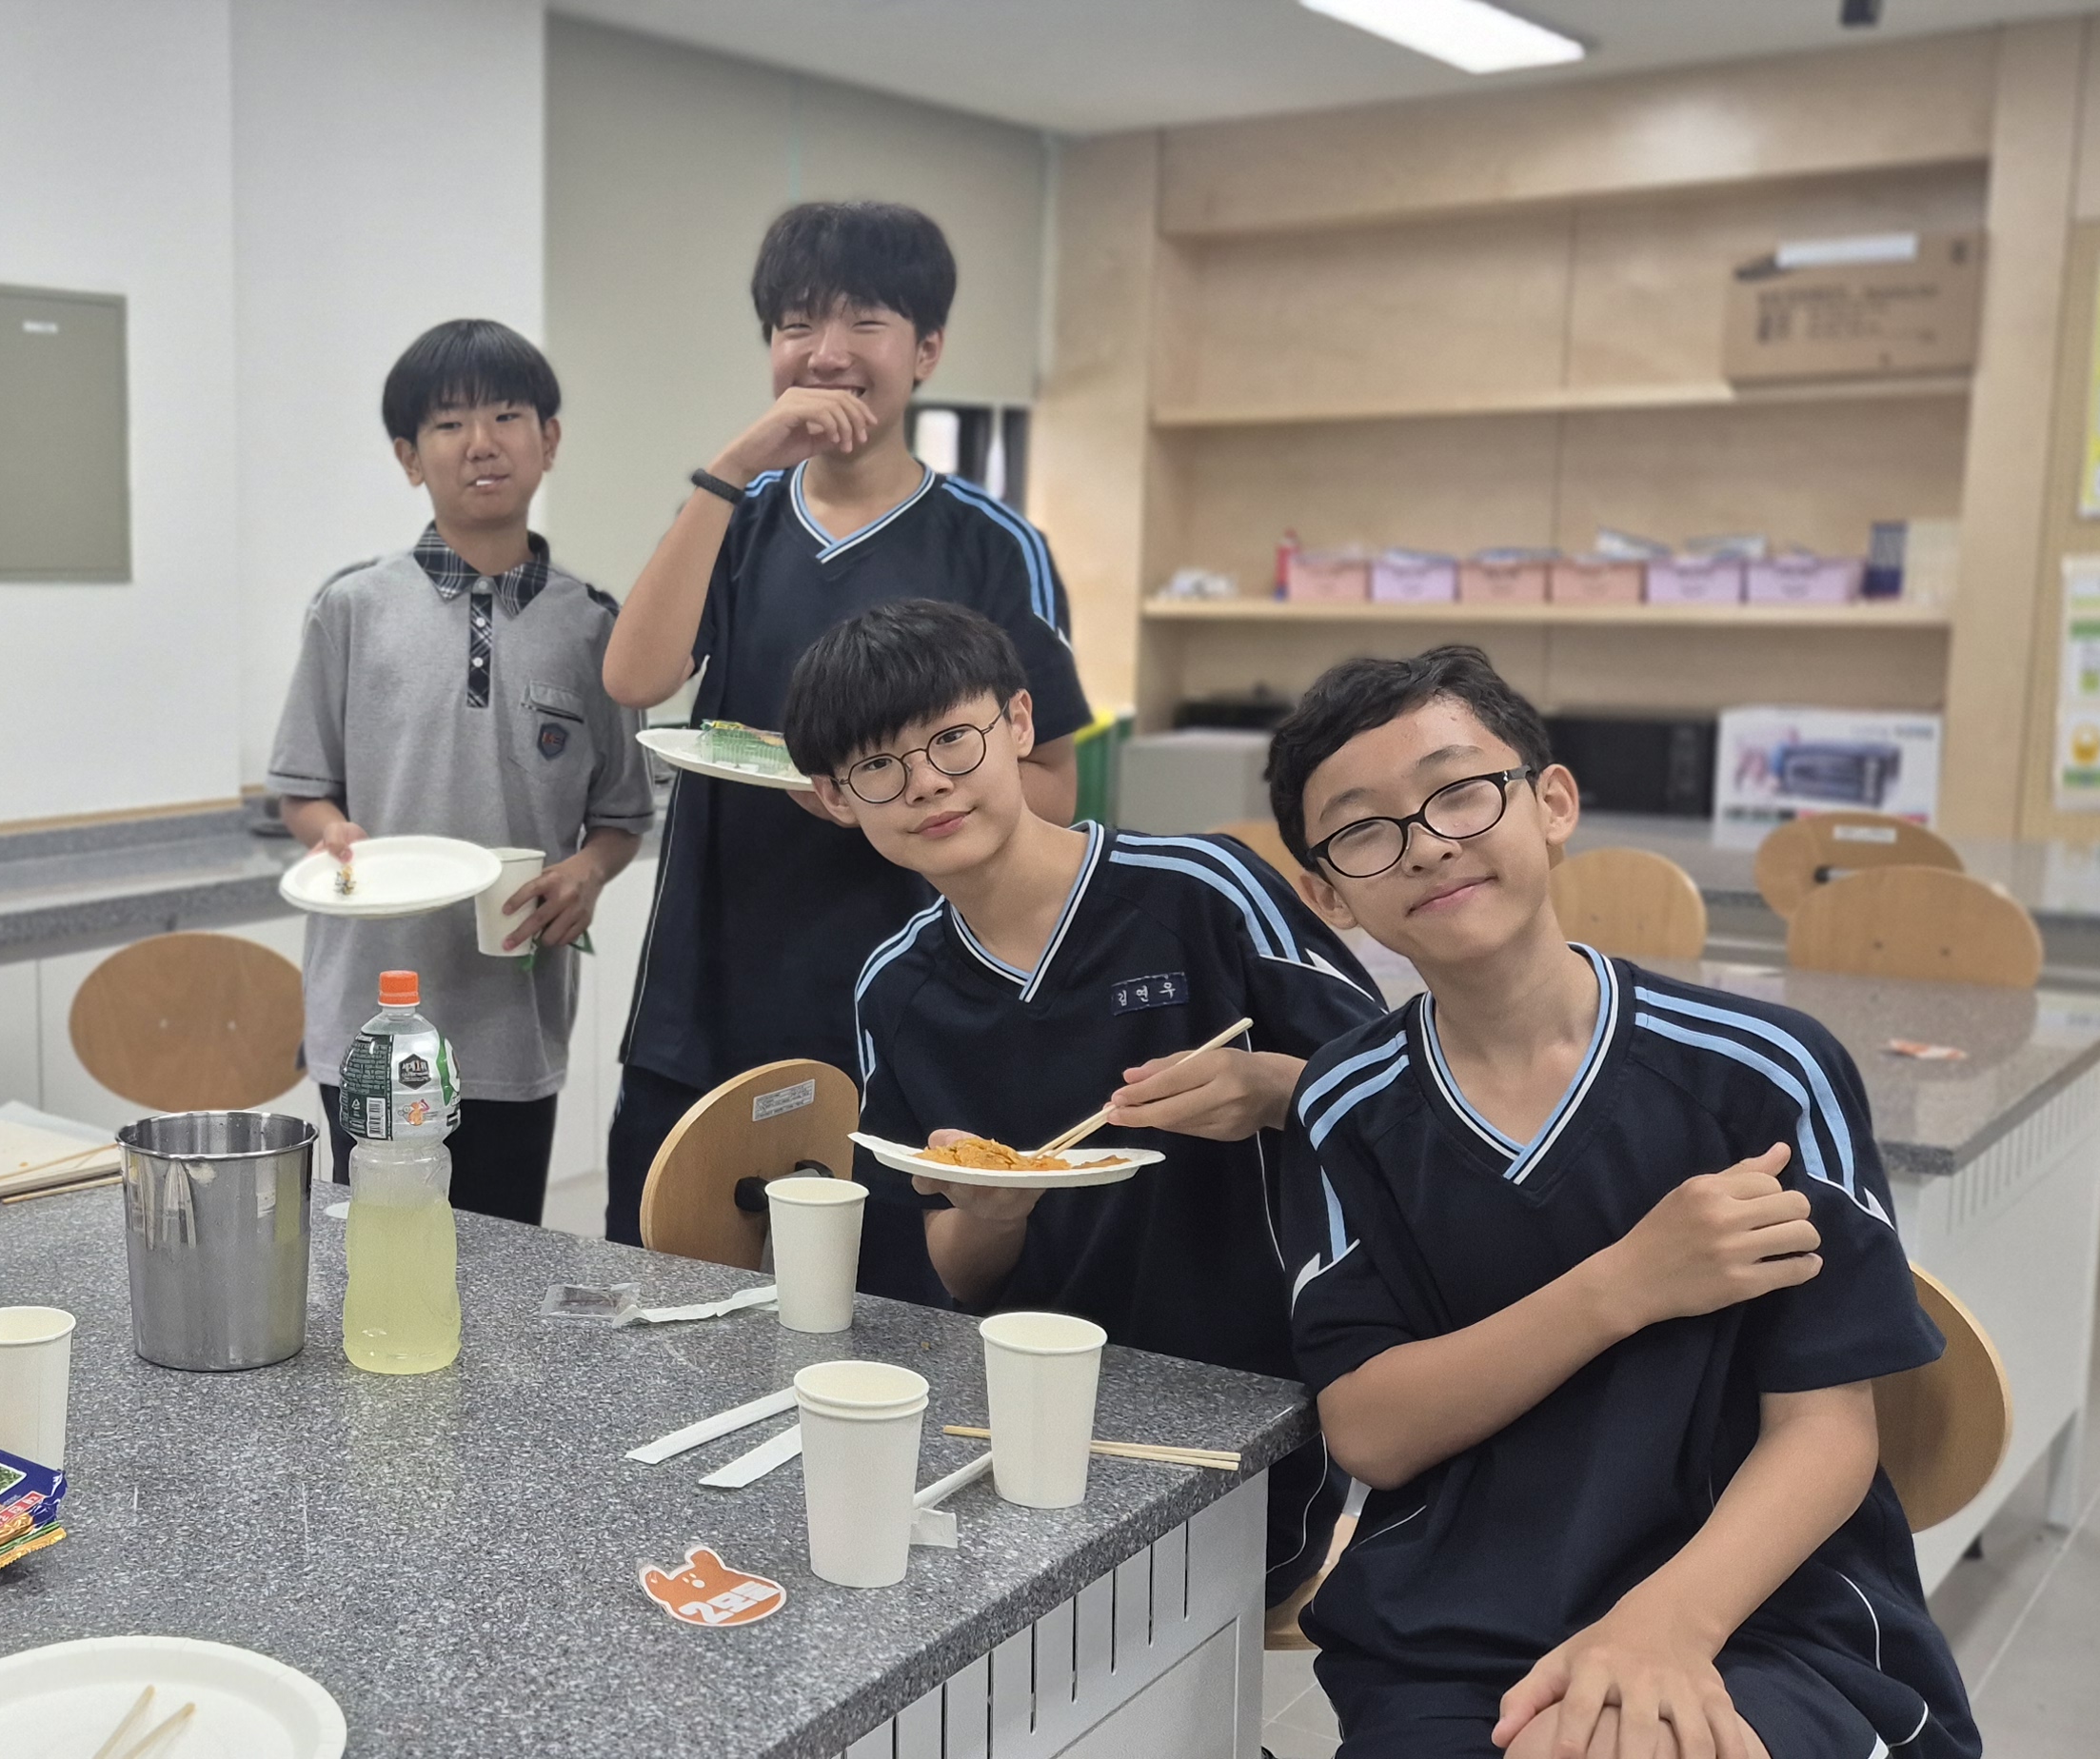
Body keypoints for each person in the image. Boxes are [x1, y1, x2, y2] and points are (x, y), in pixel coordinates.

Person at [1262, 646, 1976, 1759]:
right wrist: (1626, 1284)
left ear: (1551, 802)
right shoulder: (1343, 1103)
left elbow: (1827, 1431)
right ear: (1326, 894)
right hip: (1455, 1631)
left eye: (1459, 791)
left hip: (1760, 1614)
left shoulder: (1762, 1071)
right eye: (1363, 831)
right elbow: (1370, 1431)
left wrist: (1662, 1628)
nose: (1427, 843)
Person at [782, 599, 1378, 1610]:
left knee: (1125, 1620)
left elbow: (1404, 1096)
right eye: (879, 767)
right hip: (1023, 1421)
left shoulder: (1200, 890)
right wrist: (991, 1213)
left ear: (1019, 722)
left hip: (1246, 1409)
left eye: (952, 739)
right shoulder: (895, 987)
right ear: (836, 800)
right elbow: (954, 1269)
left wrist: (1275, 1089)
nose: (926, 782)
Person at [596, 200, 1090, 1244]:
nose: (826, 353)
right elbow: (635, 678)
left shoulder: (992, 547)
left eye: (865, 320)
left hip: (911, 1005)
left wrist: (893, 798)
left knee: (883, 1313)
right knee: (665, 1286)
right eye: (796, 324)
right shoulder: (737, 516)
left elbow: (1050, 792)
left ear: (927, 349)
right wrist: (734, 466)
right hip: (704, 998)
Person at [267, 319, 651, 1221]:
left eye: (507, 416)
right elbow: (302, 790)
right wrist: (334, 836)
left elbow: (622, 815)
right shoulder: (351, 608)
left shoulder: (596, 626)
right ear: (410, 458)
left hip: (514, 1016)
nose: (481, 443)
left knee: (503, 1251)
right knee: (379, 1242)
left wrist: (589, 873)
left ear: (548, 440)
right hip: (371, 1010)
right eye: (448, 424)